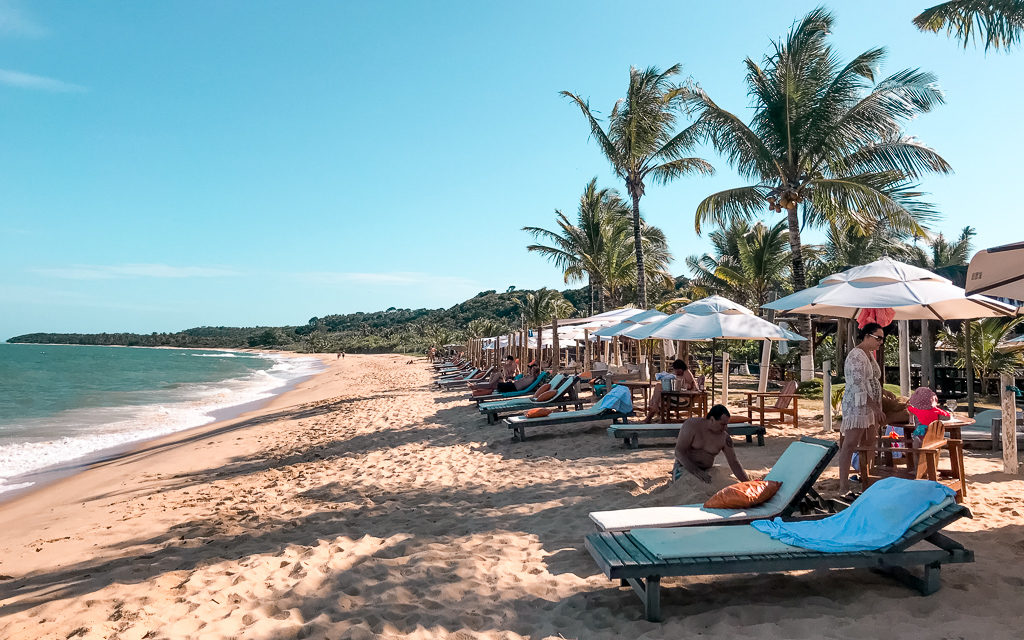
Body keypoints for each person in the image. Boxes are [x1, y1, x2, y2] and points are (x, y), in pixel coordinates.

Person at [837, 322, 886, 494]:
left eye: (882, 339)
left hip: (871, 405)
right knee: (850, 443)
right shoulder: (856, 355)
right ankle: (843, 485)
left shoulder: (869, 354)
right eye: (878, 338)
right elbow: (858, 385)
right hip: (858, 405)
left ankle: (865, 477)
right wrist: (876, 407)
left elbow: (870, 379)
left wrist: (884, 392)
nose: (881, 342)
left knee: (869, 442)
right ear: (867, 336)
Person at [673, 404, 750, 483]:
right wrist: (696, 471)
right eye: (722, 424)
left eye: (726, 424)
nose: (725, 428)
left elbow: (734, 463)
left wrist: (748, 483)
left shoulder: (725, 438)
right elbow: (679, 451)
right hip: (685, 468)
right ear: (712, 419)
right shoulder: (691, 425)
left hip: (708, 471)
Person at [644, 359, 699, 423]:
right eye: (675, 370)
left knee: (658, 393)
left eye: (677, 370)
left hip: (683, 400)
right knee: (658, 388)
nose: (676, 372)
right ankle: (653, 408)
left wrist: (685, 386)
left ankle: (649, 415)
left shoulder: (686, 374)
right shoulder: (677, 375)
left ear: (681, 369)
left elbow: (692, 387)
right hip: (674, 397)